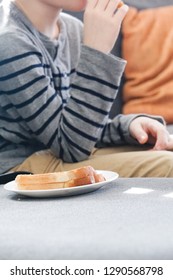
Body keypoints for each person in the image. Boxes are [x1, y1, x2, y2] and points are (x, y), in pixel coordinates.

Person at [0, 0, 173, 177]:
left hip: (62, 150)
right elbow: (70, 146)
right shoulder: (8, 40)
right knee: (169, 165)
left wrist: (128, 127)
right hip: (19, 166)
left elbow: (79, 127)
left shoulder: (72, 29)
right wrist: (96, 52)